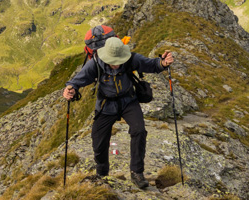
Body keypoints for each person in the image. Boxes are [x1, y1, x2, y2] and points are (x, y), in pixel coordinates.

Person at [63, 37, 174, 189]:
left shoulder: (131, 58)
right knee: (98, 140)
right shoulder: (95, 63)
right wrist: (70, 89)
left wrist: (163, 63)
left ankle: (137, 172)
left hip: (128, 101)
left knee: (139, 130)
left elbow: (152, 65)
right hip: (106, 104)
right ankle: (102, 173)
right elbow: (77, 80)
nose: (115, 64)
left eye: (118, 60)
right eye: (112, 61)